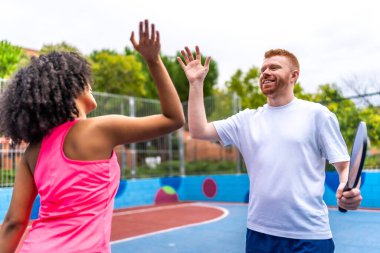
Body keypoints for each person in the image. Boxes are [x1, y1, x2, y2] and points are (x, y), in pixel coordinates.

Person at [0, 20, 185, 253]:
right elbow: (174, 119)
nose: (90, 84)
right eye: (85, 80)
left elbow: (13, 223)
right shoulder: (101, 129)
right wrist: (153, 60)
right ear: (72, 87)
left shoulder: (32, 152)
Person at [178, 46, 362, 253]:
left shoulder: (318, 115)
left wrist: (348, 187)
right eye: (262, 69)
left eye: (274, 67)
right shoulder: (245, 120)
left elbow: (343, 165)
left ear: (294, 75)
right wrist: (196, 84)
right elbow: (198, 130)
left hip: (309, 236)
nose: (265, 73)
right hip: (259, 234)